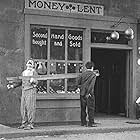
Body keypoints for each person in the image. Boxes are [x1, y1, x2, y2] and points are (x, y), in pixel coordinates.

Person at [7, 59, 38, 130]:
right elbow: (20, 82)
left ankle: (30, 124)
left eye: (31, 64)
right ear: (26, 64)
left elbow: (36, 82)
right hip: (24, 91)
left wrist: (33, 81)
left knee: (30, 107)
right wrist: (12, 86)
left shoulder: (34, 72)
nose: (29, 65)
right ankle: (24, 123)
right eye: (28, 63)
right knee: (23, 108)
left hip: (30, 90)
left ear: (33, 65)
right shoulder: (24, 72)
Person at [77, 61, 99, 127]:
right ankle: (91, 123)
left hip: (82, 93)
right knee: (91, 108)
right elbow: (92, 85)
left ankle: (83, 122)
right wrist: (88, 93)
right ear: (92, 67)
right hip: (89, 94)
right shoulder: (93, 75)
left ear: (86, 67)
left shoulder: (82, 74)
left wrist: (82, 88)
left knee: (83, 108)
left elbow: (78, 83)